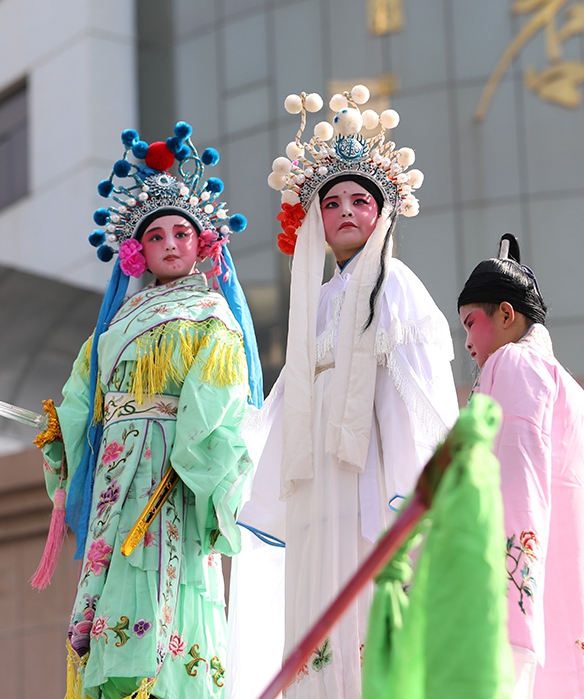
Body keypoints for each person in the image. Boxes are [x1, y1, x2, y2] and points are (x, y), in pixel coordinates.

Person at [228, 86, 459, 699]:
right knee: (314, 615)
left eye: (361, 200)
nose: (347, 211)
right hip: (314, 488)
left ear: (383, 213)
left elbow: (417, 397)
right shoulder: (315, 301)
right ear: (316, 220)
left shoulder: (395, 285)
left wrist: (404, 492)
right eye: (332, 203)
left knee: (364, 614)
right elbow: (286, 406)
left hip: (368, 482)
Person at [32, 123, 263, 699]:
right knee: (114, 576)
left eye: (181, 233)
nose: (170, 244)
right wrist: (60, 430)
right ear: (137, 251)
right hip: (116, 476)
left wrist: (194, 461)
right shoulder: (113, 328)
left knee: (169, 584)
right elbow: (85, 398)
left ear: (201, 242)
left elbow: (218, 403)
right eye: (155, 235)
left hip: (173, 473)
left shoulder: (212, 317)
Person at [456, 234, 584, 699]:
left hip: (512, 594)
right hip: (563, 595)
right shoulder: (572, 392)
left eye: (470, 323)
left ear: (506, 314)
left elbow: (519, 486)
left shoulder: (513, 364)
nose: (467, 342)